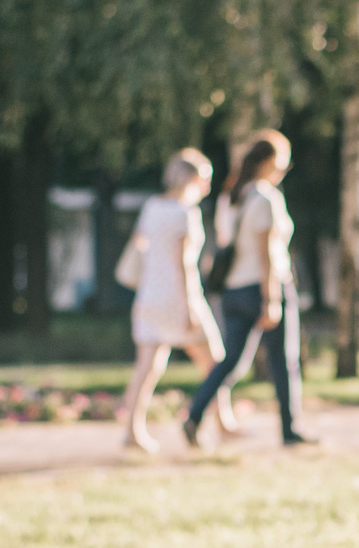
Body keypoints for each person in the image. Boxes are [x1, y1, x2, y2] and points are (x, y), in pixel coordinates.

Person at [183, 129, 306, 447]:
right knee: (284, 362)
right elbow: (267, 254)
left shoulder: (229, 198)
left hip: (233, 291)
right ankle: (290, 431)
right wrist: (272, 299)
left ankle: (194, 415)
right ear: (268, 163)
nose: (283, 172)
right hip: (264, 288)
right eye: (282, 165)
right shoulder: (266, 197)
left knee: (231, 361)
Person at [115, 149, 225, 453]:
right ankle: (224, 422)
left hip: (150, 295)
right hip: (177, 297)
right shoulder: (184, 214)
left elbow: (140, 243)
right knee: (214, 361)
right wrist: (190, 307)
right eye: (205, 179)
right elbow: (184, 265)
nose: (207, 186)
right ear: (192, 178)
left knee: (147, 368)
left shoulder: (152, 206)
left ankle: (132, 431)